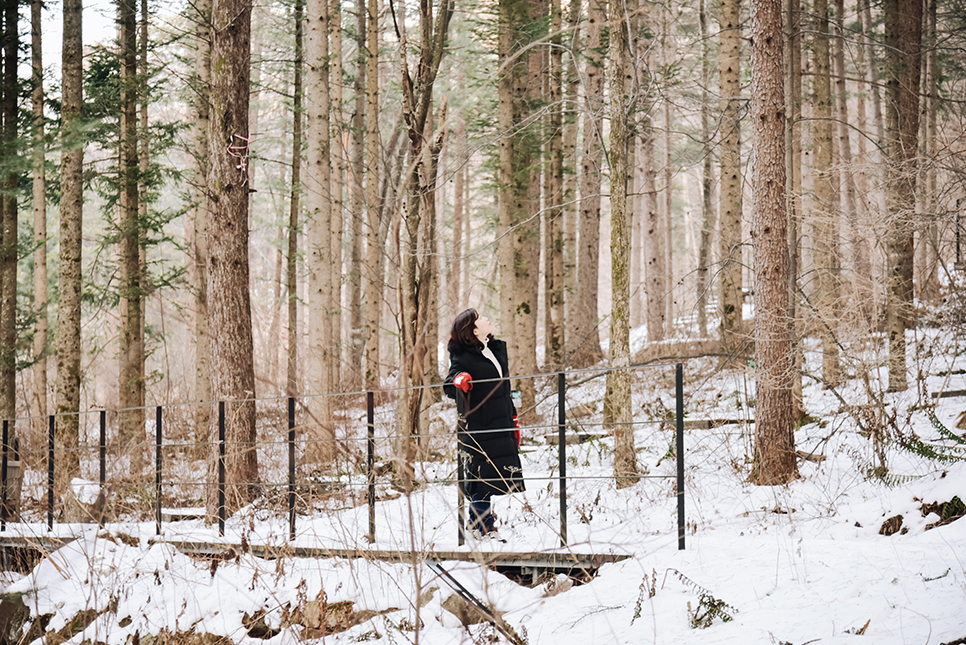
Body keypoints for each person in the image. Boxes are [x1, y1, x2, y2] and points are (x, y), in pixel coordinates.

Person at [443, 308, 525, 542]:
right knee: (480, 475)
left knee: (493, 475)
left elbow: (505, 389)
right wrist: (459, 380)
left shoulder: (494, 349)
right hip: (480, 425)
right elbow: (450, 382)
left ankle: (482, 523)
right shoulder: (462, 355)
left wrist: (514, 420)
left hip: (501, 421)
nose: (488, 319)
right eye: (481, 319)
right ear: (474, 329)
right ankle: (480, 525)